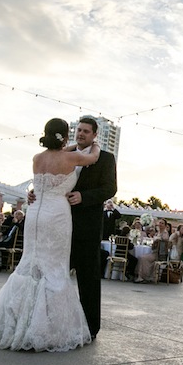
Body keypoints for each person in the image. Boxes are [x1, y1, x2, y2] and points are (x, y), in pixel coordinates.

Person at [0, 118, 101, 351]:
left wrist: (69, 146)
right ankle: (45, 328)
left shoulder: (37, 158)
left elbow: (46, 174)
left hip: (34, 214)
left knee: (30, 264)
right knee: (54, 268)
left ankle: (13, 323)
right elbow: (93, 158)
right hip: (57, 215)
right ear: (64, 136)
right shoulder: (70, 157)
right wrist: (96, 145)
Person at [67, 116, 117, 339]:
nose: (81, 134)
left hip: (87, 228)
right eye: (79, 130)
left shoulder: (105, 159)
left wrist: (84, 197)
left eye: (86, 131)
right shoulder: (65, 155)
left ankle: (90, 327)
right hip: (61, 225)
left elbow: (110, 188)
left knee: (88, 280)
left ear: (95, 135)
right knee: (55, 276)